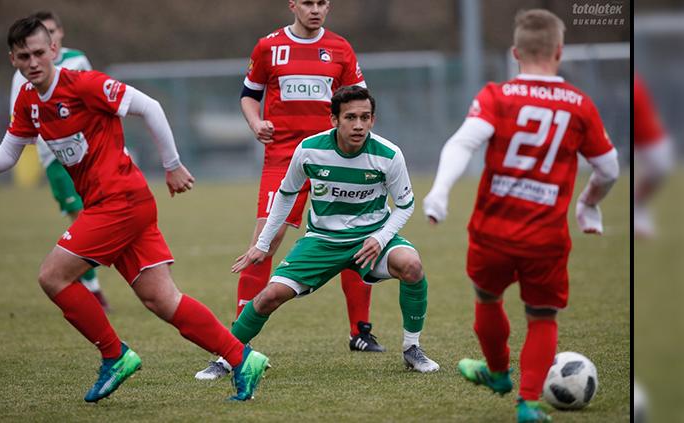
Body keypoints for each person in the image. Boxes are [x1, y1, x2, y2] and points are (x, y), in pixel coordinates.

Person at [0, 17, 269, 402]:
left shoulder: (83, 84)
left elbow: (149, 106)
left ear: (54, 50)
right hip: (119, 204)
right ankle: (242, 359)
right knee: (162, 300)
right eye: (24, 56)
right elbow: (6, 155)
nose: (34, 61)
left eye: (40, 52)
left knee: (52, 277)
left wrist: (171, 165)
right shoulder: (28, 102)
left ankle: (114, 354)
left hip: (118, 201)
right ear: (13, 59)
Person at [422, 9, 619, 422]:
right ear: (559, 52)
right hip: (546, 237)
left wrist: (439, 193)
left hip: (492, 231)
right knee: (542, 316)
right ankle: (527, 403)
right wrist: (589, 204)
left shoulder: (497, 95)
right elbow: (609, 168)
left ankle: (496, 373)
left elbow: (461, 144)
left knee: (487, 298)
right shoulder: (581, 105)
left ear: (515, 53)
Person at [197, 0, 382, 381]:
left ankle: (360, 331)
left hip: (334, 156)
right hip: (283, 158)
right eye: (308, 2)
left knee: (354, 235)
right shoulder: (268, 47)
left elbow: (359, 104)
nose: (316, 9)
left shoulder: (341, 49)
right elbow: (249, 94)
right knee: (267, 236)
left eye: (322, 3)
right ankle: (238, 341)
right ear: (293, 5)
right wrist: (255, 122)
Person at [228, 86, 440, 374]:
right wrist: (263, 244)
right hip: (322, 241)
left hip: (370, 240)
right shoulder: (309, 150)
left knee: (412, 266)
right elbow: (286, 194)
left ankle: (412, 348)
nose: (359, 125)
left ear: (373, 120)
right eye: (350, 117)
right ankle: (225, 357)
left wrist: (380, 238)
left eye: (365, 117)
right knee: (269, 296)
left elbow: (405, 205)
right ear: (334, 120)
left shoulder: (389, 155)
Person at [8, 10, 110, 311]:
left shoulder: (78, 61)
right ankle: (92, 288)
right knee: (80, 219)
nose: (34, 59)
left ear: (57, 38)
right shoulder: (23, 79)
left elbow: (103, 102)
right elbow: (18, 122)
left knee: (99, 218)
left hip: (89, 157)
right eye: (25, 53)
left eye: (51, 33)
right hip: (53, 159)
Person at [633, 73, 674, 238]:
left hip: (650, 136)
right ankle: (638, 209)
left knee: (661, 168)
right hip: (640, 136)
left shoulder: (638, 82)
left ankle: (638, 204)